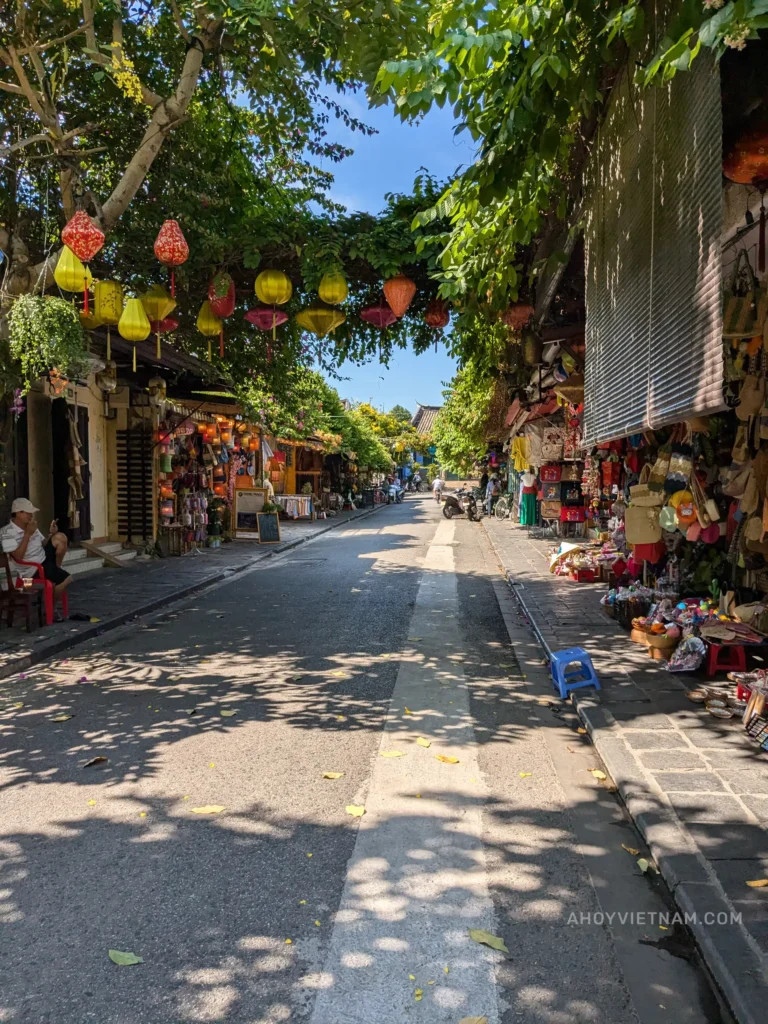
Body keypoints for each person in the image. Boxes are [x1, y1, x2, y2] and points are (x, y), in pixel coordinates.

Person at [1, 498, 72, 612]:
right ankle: (50, 610)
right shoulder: (6, 532)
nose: (31, 515)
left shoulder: (30, 525)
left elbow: (43, 544)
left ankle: (55, 569)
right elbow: (18, 557)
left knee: (60, 537)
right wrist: (27, 534)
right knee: (67, 579)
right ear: (19, 513)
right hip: (32, 570)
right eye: (28, 513)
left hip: (43, 559)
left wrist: (51, 534)